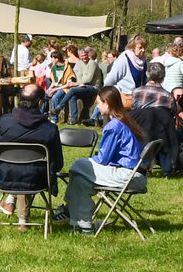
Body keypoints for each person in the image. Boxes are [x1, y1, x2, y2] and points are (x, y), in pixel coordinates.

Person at [59, 86, 140, 232]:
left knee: (78, 165)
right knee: (79, 181)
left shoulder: (113, 126)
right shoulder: (124, 120)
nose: (97, 106)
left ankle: (68, 208)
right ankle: (84, 226)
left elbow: (103, 159)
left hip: (128, 176)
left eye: (99, 103)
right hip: (134, 174)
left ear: (107, 104)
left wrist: (89, 162)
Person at [0, 84, 63, 229]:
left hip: (5, 177)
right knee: (28, 169)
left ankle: (12, 203)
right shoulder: (50, 129)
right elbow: (58, 162)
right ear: (39, 103)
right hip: (37, 180)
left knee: (21, 168)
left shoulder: (5, 122)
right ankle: (21, 218)